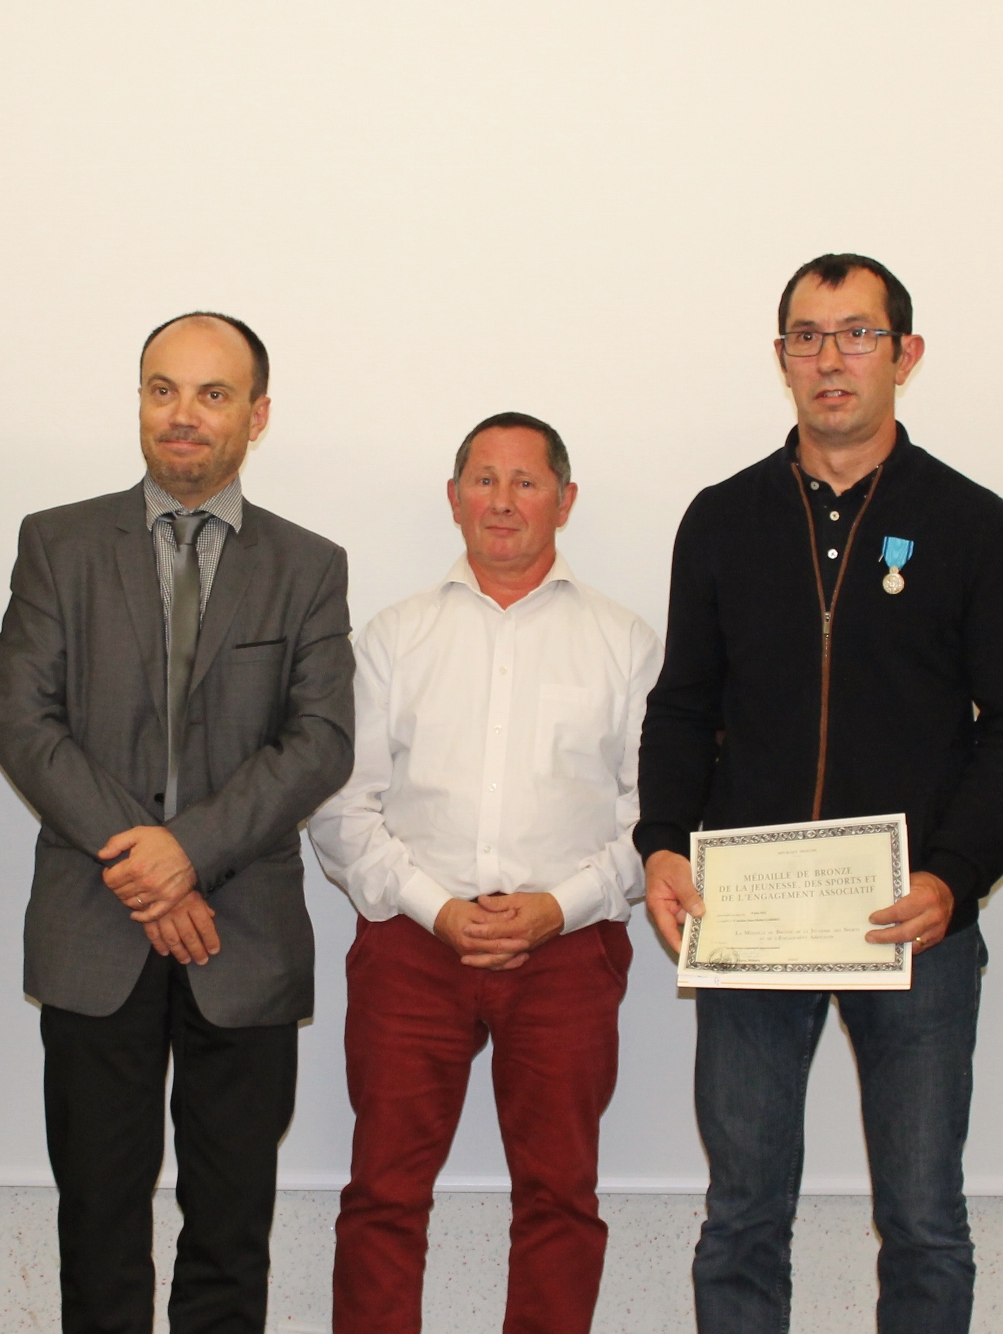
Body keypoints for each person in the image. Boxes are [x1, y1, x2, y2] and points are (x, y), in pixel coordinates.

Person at [638, 254, 1003, 1333]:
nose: (832, 359)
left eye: (857, 333)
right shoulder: (722, 518)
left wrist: (955, 874)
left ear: (904, 355)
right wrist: (663, 842)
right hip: (752, 914)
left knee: (923, 1221)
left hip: (911, 918)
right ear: (780, 357)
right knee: (741, 1216)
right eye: (808, 336)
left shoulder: (971, 520)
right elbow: (682, 707)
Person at [0, 311, 354, 1333]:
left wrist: (185, 853)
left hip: (244, 937)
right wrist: (145, 868)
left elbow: (319, 741)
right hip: (93, 929)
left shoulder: (308, 564)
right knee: (98, 1226)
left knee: (229, 1235)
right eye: (162, 390)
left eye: (211, 394)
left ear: (257, 415)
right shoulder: (56, 542)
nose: (181, 415)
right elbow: (22, 721)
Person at [310, 412, 662, 1334]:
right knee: (383, 1194)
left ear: (565, 501)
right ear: (454, 497)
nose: (503, 501)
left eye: (526, 481)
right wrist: (435, 909)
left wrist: (559, 907)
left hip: (568, 952)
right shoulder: (394, 636)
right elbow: (341, 806)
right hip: (411, 947)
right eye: (484, 480)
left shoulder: (625, 642)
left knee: (560, 1198)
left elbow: (657, 820)